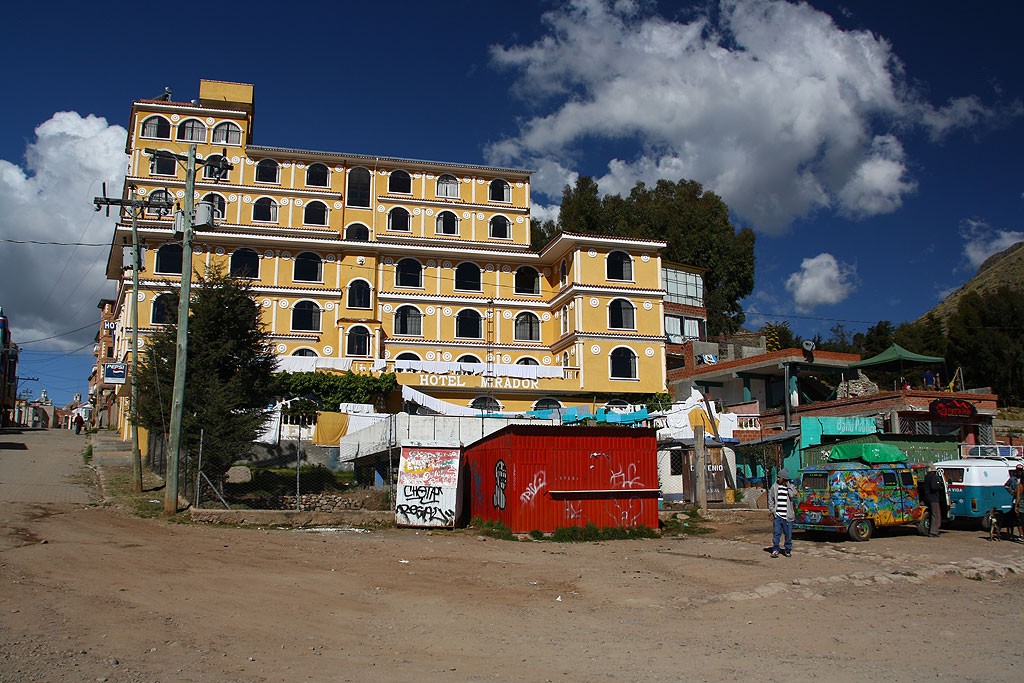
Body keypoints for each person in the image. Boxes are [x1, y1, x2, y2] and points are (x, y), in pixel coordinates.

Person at [768, 469, 798, 558]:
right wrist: (773, 510)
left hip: (787, 516)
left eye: (779, 477)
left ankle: (787, 550)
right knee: (776, 534)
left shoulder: (791, 487)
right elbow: (770, 499)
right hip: (778, 516)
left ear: (784, 478)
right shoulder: (774, 487)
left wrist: (788, 486)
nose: (778, 479)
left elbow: (793, 495)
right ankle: (775, 550)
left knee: (788, 535)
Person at [922, 464, 945, 537]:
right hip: (933, 498)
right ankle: (934, 531)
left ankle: (932, 530)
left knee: (931, 513)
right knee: (936, 514)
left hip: (927, 497)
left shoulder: (926, 477)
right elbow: (934, 487)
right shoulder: (934, 477)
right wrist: (940, 486)